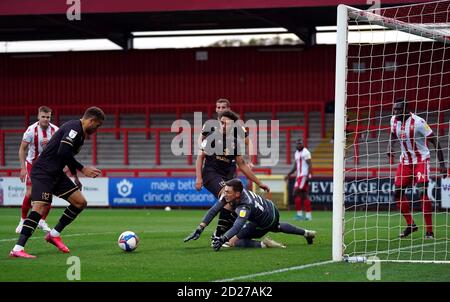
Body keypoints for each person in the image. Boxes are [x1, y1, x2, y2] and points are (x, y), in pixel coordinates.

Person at [9, 107, 105, 258]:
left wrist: (75, 177)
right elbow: (63, 151)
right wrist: (82, 168)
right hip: (43, 172)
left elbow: (66, 156)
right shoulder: (74, 128)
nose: (97, 128)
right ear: (91, 120)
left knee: (80, 202)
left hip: (56, 173)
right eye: (97, 125)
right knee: (40, 206)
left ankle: (53, 234)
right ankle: (17, 248)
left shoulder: (80, 134)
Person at [190, 110, 270, 246]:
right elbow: (200, 158)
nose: (223, 126)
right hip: (211, 174)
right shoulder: (211, 138)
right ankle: (219, 235)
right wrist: (198, 178)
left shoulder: (235, 143)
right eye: (222, 123)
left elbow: (242, 165)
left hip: (227, 177)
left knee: (234, 203)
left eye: (227, 124)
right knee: (228, 197)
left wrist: (259, 183)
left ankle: (221, 234)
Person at [186, 178, 316, 251]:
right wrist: (200, 227)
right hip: (271, 208)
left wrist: (223, 239)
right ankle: (306, 233)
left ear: (237, 194)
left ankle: (265, 244)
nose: (225, 194)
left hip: (265, 220)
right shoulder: (234, 194)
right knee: (277, 227)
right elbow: (214, 210)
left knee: (233, 242)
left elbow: (237, 226)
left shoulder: (245, 205)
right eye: (225, 191)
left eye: (228, 192)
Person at [387, 98, 447, 239]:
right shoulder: (393, 120)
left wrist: (442, 165)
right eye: (394, 109)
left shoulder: (419, 123)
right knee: (397, 193)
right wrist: (391, 146)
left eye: (398, 109)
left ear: (406, 109)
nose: (395, 112)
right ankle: (411, 225)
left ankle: (429, 231)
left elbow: (435, 141)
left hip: (421, 160)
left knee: (422, 193)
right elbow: (393, 134)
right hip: (405, 161)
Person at [16, 106, 58, 233]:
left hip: (48, 166)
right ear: (38, 117)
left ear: (50, 117)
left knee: (48, 195)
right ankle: (23, 220)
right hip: (32, 165)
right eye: (43, 117)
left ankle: (42, 221)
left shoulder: (56, 130)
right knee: (29, 193)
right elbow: (22, 149)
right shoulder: (31, 130)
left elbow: (60, 149)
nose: (45, 119)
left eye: (48, 117)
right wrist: (23, 168)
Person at [284, 139, 313, 221]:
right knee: (302, 195)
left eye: (300, 144)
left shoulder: (306, 152)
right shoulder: (296, 153)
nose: (299, 145)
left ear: (303, 144)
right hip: (298, 176)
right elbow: (295, 166)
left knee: (296, 193)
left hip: (304, 176)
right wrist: (288, 174)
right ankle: (305, 215)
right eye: (297, 144)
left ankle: (303, 215)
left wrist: (309, 175)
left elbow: (310, 164)